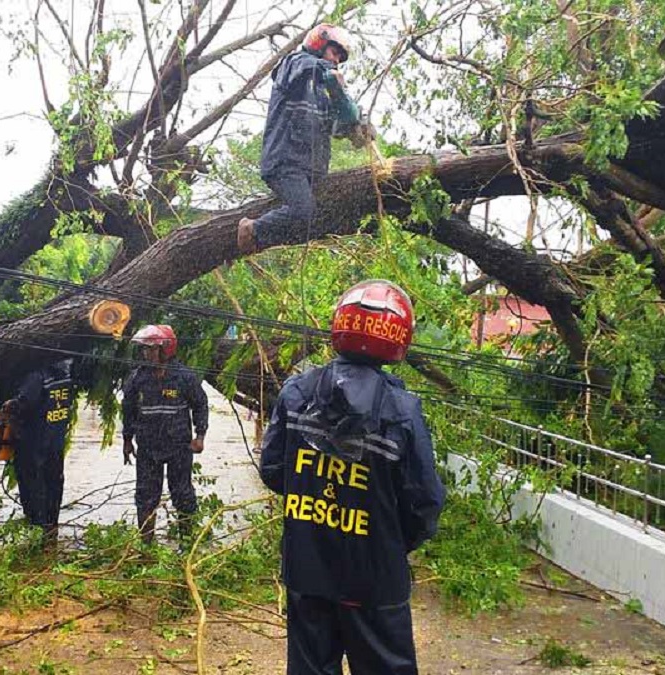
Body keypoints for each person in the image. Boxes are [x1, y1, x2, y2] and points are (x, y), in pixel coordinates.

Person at [259, 280, 445, 675]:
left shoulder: (297, 393)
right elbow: (424, 503)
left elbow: (274, 471)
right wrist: (389, 541)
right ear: (400, 336)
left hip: (307, 570)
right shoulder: (402, 410)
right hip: (375, 580)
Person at [237, 23, 373, 255]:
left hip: (311, 171)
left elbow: (338, 123)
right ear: (319, 45)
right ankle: (252, 229)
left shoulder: (323, 94)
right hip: (286, 163)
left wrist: (357, 126)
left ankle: (264, 241)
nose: (336, 60)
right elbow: (306, 69)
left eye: (340, 57)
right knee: (303, 211)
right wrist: (328, 75)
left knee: (316, 221)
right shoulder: (294, 64)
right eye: (334, 52)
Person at [121, 325, 209, 543]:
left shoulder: (184, 377)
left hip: (179, 447)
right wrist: (127, 440)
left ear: (166, 349)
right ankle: (147, 545)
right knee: (145, 496)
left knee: (182, 494)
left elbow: (201, 404)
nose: (147, 354)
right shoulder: (137, 378)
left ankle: (187, 543)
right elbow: (128, 410)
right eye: (144, 350)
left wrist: (200, 436)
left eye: (151, 349)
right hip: (148, 448)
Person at [4, 358, 75, 547]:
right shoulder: (65, 374)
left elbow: (24, 403)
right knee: (53, 483)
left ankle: (37, 532)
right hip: (55, 440)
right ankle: (51, 528)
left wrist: (11, 406)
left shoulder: (36, 375)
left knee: (33, 487)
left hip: (33, 442)